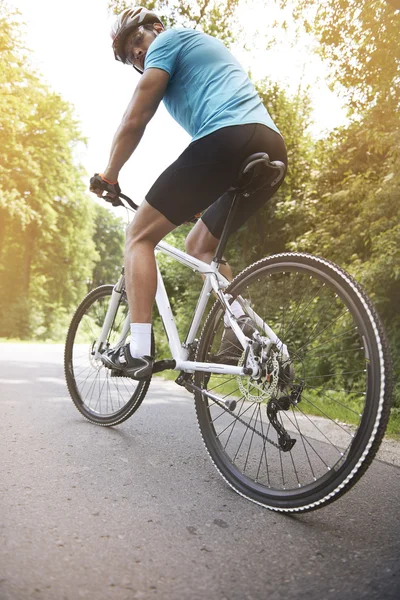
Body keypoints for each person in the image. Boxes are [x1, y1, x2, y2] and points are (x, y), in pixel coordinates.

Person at [90, 6, 287, 380]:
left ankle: (138, 350)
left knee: (138, 236)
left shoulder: (166, 41)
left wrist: (109, 176)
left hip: (227, 139)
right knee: (200, 246)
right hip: (269, 146)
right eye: (127, 55)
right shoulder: (193, 50)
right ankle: (239, 330)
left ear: (156, 29)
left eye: (136, 40)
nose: (135, 54)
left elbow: (135, 118)